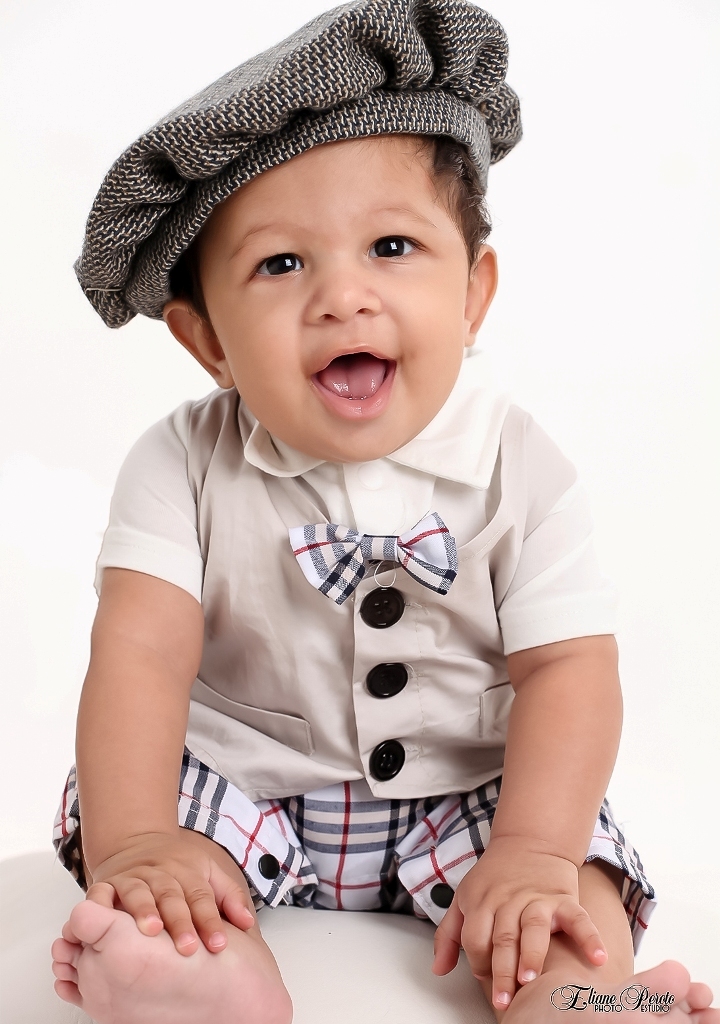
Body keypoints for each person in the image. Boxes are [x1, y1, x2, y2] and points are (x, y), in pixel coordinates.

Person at [48, 1, 718, 1021]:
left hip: (472, 795)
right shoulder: (178, 463)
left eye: (392, 246)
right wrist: (138, 840)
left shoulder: (521, 465)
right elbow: (139, 655)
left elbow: (568, 668)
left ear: (473, 293)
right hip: (244, 789)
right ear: (209, 342)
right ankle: (196, 977)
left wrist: (533, 848)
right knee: (165, 877)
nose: (342, 297)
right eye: (281, 264)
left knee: (563, 889)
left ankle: (581, 998)